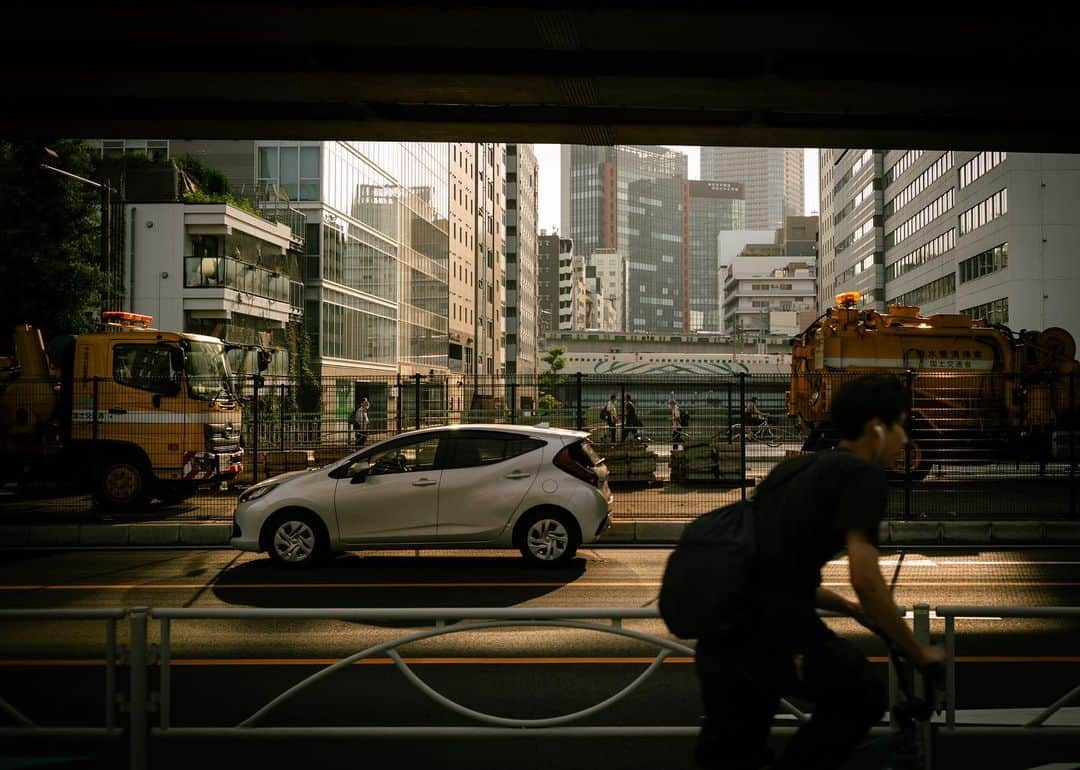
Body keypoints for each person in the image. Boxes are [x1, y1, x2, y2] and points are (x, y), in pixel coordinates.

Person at [694, 374, 944, 770]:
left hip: (722, 639)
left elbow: (769, 568)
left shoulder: (794, 470)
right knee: (863, 695)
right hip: (774, 637)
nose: (906, 441)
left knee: (732, 755)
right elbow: (866, 577)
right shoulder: (863, 476)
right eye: (902, 426)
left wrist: (847, 608)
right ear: (876, 429)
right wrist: (918, 651)